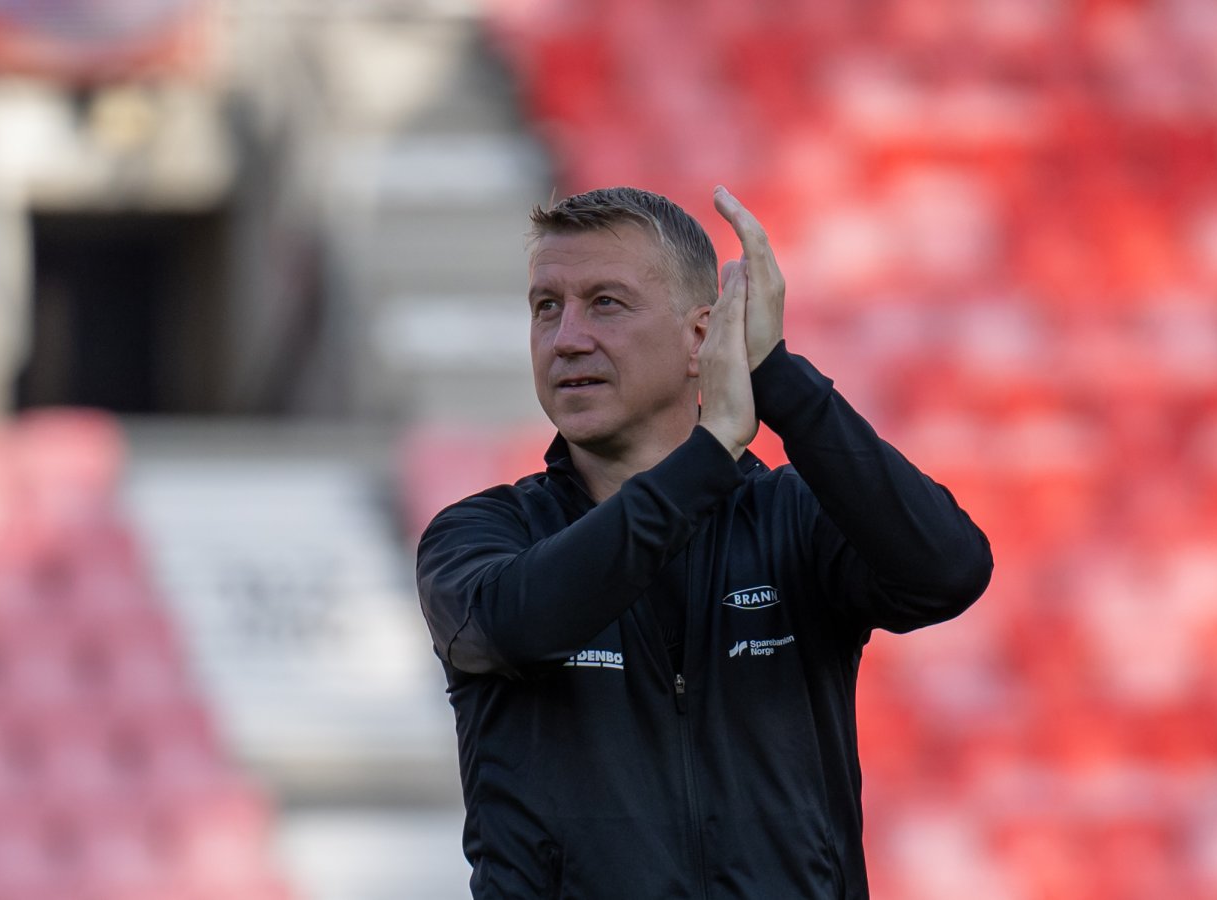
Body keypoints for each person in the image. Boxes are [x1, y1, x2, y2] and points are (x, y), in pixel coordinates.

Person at [415, 185, 994, 898]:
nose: (566, 338)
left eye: (605, 303)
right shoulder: (479, 535)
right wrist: (711, 453)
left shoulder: (792, 519)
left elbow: (949, 571)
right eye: (546, 307)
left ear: (702, 338)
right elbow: (518, 626)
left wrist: (775, 375)